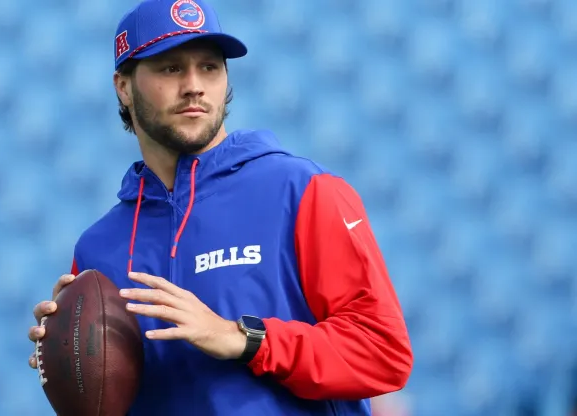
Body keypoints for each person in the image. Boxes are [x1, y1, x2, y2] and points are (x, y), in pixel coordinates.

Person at [27, 0, 413, 414]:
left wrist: (243, 338)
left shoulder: (301, 190)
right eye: (171, 67)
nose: (194, 85)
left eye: (209, 67)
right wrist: (72, 365)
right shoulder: (99, 247)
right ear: (123, 85)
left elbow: (383, 352)